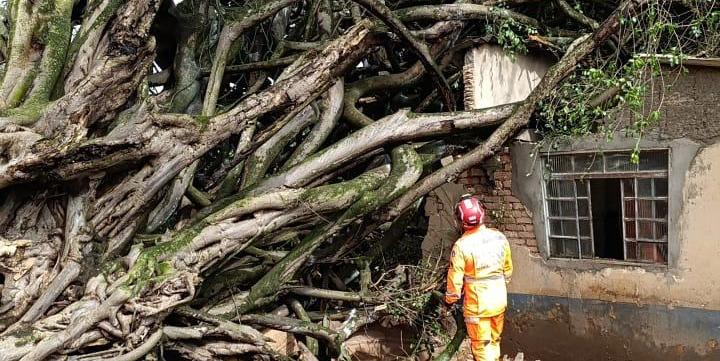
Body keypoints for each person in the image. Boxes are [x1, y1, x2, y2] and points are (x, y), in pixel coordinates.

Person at [444, 194, 513, 361]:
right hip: (498, 301)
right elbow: (508, 270)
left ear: (461, 221)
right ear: (482, 213)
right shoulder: (499, 237)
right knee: (494, 341)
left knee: (482, 349)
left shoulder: (461, 246)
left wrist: (449, 300)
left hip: (478, 307)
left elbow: (455, 281)